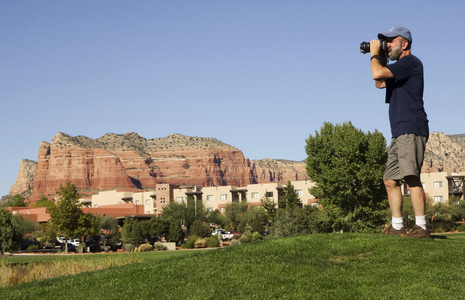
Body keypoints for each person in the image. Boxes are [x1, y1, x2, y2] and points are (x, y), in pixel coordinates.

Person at [369, 27, 430, 238]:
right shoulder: (398, 67)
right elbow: (379, 82)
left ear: (404, 44)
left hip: (411, 127)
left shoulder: (411, 63)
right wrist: (383, 56)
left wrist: (376, 55)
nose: (388, 45)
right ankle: (397, 227)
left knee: (410, 177)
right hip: (398, 131)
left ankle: (422, 227)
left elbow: (376, 72)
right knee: (390, 180)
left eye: (391, 42)